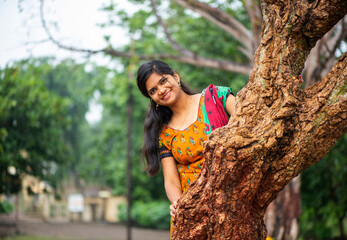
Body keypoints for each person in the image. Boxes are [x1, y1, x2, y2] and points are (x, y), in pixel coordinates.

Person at [136, 60, 236, 234]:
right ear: (152, 98)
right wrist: (179, 204)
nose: (161, 90)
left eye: (162, 81)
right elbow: (171, 180)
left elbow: (251, 126)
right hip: (193, 216)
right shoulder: (164, 134)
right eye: (153, 91)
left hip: (233, 202)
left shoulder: (216, 98)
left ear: (175, 76)